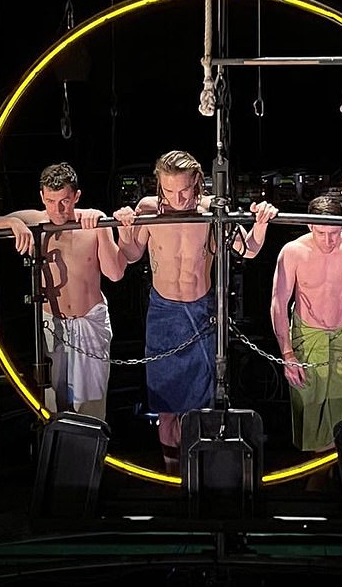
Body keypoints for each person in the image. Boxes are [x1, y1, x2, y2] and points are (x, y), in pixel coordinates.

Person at [113, 150, 278, 474]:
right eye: (169, 191)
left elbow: (248, 249)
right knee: (166, 408)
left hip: (201, 312)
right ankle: (171, 474)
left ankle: (194, 474)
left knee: (198, 407)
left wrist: (260, 225)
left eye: (185, 190)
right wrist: (124, 227)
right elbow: (131, 255)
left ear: (198, 185)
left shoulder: (212, 211)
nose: (178, 198)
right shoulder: (149, 209)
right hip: (163, 314)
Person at [0, 162, 126, 420]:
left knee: (91, 407)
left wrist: (103, 230)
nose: (58, 209)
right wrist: (13, 223)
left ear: (76, 197)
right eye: (50, 201)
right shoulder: (38, 219)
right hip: (51, 325)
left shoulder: (92, 219)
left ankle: (90, 458)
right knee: (52, 406)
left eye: (65, 201)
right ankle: (57, 458)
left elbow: (115, 274)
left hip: (88, 321)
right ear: (42, 197)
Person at [270, 195, 342, 463]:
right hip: (306, 335)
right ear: (310, 226)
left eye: (334, 232)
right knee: (310, 413)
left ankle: (331, 476)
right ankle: (315, 479)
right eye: (321, 232)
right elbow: (278, 303)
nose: (328, 240)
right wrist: (287, 355)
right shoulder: (293, 251)